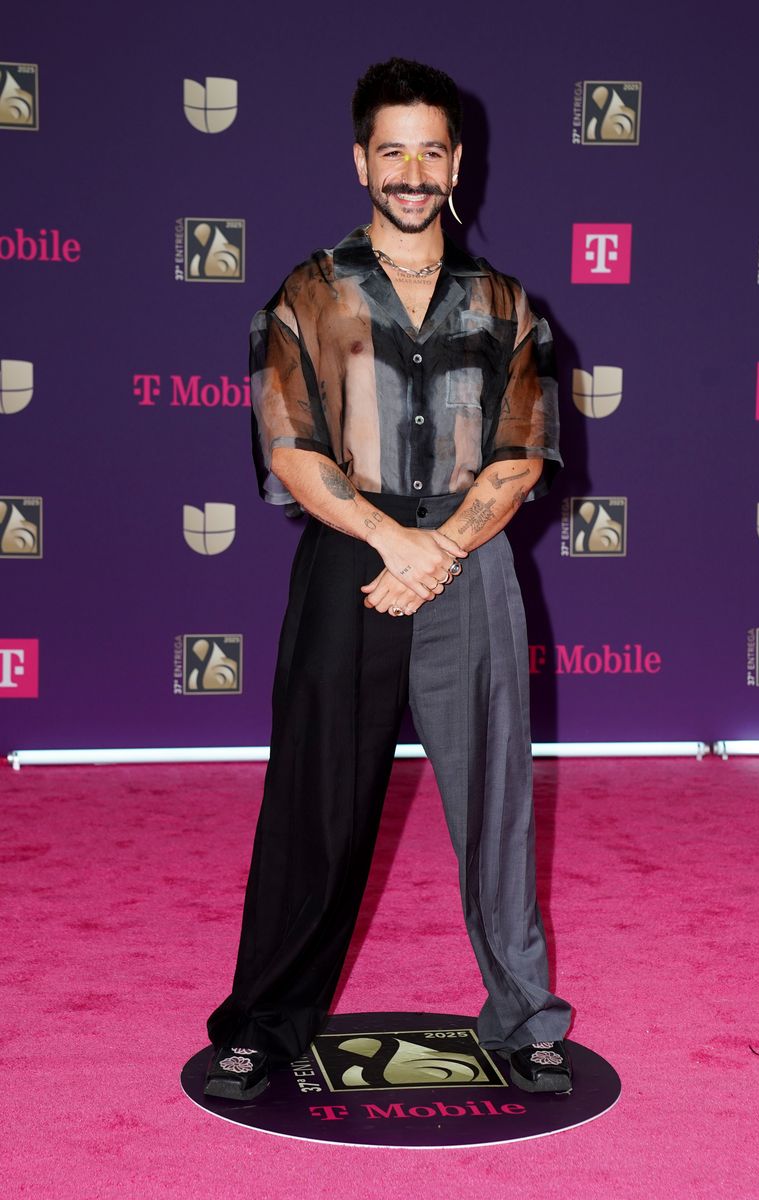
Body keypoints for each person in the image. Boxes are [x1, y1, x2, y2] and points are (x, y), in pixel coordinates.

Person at [204, 57, 573, 1101]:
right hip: (346, 559)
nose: (412, 171)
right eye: (392, 149)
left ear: (457, 162)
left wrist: (439, 548)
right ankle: (265, 1021)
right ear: (360, 159)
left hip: (471, 561)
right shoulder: (308, 293)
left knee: (496, 802)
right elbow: (291, 452)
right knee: (312, 802)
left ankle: (524, 1016)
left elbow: (516, 458)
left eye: (431, 150)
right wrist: (388, 540)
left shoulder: (506, 303)